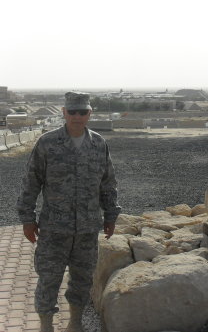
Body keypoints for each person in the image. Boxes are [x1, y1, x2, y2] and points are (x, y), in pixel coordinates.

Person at [17, 91, 121, 332]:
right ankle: (46, 327)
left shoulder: (98, 144)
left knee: (82, 280)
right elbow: (31, 182)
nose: (77, 116)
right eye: (72, 111)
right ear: (63, 113)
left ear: (89, 114)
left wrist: (111, 215)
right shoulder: (47, 143)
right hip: (54, 229)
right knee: (48, 280)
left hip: (86, 228)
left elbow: (108, 182)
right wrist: (27, 219)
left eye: (82, 111)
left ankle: (75, 324)